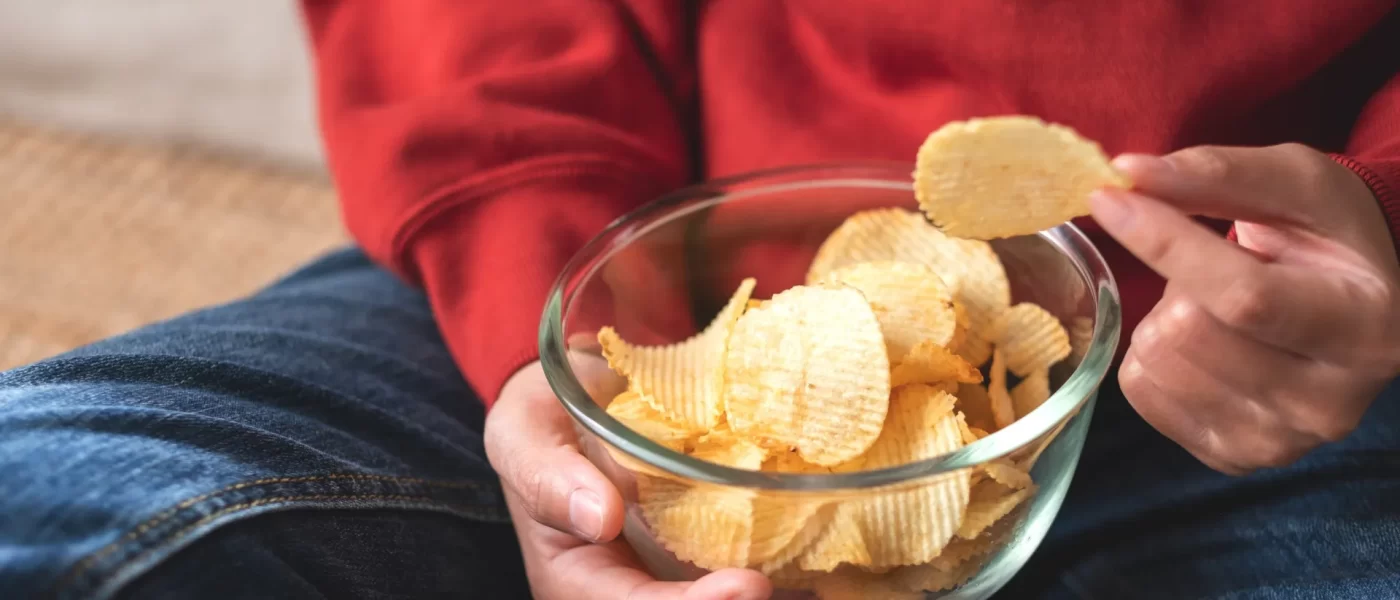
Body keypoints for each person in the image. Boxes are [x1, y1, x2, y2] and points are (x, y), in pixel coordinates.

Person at [4, 2, 1400, 599]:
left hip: (1322, 378)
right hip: (612, 297)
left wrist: (1383, 215)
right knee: (47, 500)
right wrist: (535, 295)